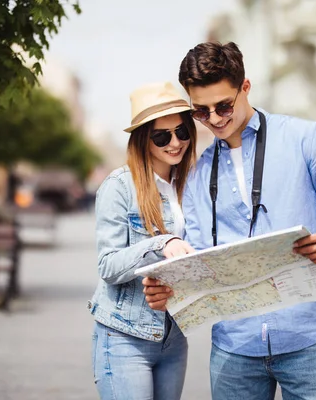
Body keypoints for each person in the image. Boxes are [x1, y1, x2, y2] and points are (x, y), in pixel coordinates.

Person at [143, 42, 316, 399]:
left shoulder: (306, 138)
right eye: (201, 113)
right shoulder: (199, 171)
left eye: (223, 105)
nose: (215, 119)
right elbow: (200, 261)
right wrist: (170, 289)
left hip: (309, 337)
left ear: (245, 87)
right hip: (234, 347)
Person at [88, 81, 197, 400]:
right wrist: (160, 244)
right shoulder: (119, 187)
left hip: (173, 337)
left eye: (182, 131)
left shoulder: (191, 186)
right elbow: (108, 266)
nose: (175, 142)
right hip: (124, 336)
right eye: (162, 136)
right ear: (142, 140)